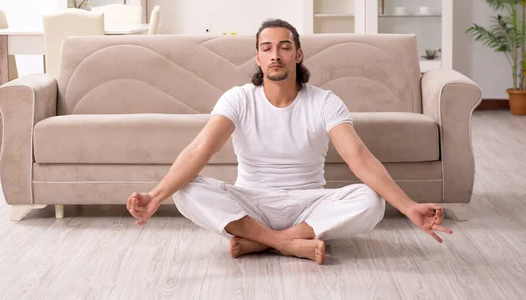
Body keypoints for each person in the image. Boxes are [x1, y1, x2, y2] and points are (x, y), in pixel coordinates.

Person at [127, 18, 452, 264]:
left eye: (284, 46)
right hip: (251, 203)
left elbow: (360, 158)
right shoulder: (238, 99)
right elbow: (201, 149)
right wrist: (156, 196)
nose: (275, 54)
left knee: (371, 200)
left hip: (307, 205)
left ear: (298, 54)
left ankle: (263, 242)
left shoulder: (324, 101)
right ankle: (288, 244)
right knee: (186, 190)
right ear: (257, 58)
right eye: (266, 48)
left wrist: (409, 207)